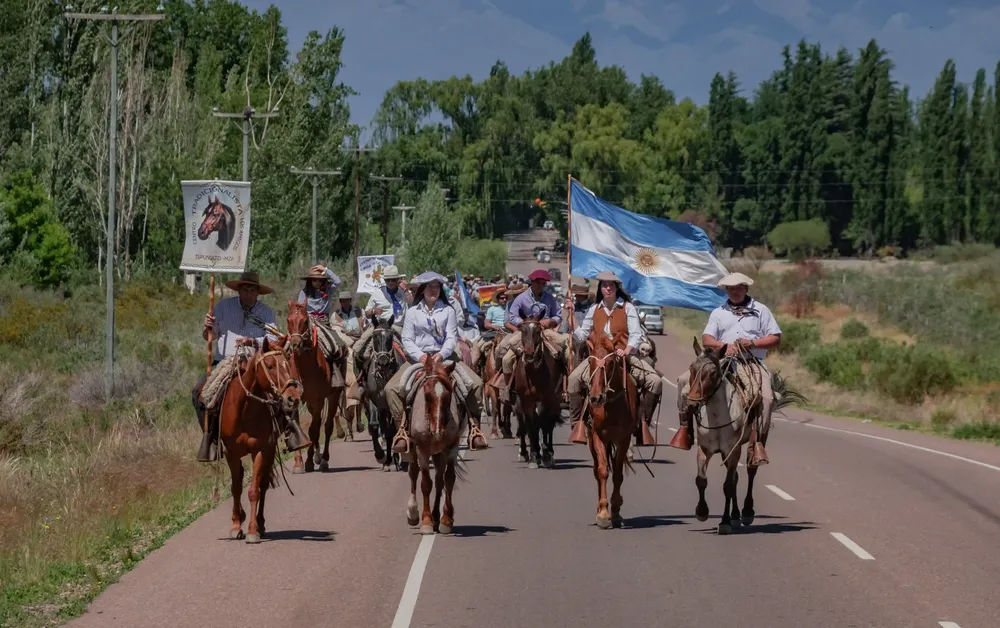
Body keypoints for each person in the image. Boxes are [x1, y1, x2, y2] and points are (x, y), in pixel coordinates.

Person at [192, 271, 310, 462]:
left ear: (257, 292)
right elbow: (210, 336)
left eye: (252, 289)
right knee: (199, 392)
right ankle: (211, 437)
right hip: (226, 361)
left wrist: (253, 341)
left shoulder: (266, 313)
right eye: (244, 289)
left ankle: (291, 431)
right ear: (239, 290)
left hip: (258, 361)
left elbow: (274, 338)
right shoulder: (222, 307)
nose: (248, 293)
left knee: (286, 388)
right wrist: (207, 328)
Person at [667, 272, 782, 466]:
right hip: (721, 360)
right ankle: (685, 428)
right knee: (683, 381)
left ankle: (758, 444)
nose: (734, 292)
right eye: (730, 289)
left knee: (767, 399)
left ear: (745, 288)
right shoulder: (719, 312)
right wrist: (724, 346)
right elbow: (706, 339)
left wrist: (752, 342)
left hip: (751, 361)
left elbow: (775, 338)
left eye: (738, 288)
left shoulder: (761, 310)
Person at [385, 272, 489, 453]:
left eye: (437, 287)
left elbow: (451, 336)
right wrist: (421, 356)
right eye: (429, 287)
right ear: (422, 290)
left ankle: (475, 429)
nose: (433, 290)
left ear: (440, 290)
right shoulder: (412, 312)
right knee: (391, 389)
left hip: (445, 357)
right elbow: (407, 339)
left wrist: (441, 354)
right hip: (418, 359)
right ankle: (401, 430)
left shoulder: (448, 311)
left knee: (477, 384)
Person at [566, 272, 661, 445]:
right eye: (604, 285)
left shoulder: (627, 308)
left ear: (617, 288)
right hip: (598, 357)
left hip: (622, 356)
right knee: (573, 379)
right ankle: (577, 424)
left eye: (611, 285)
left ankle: (642, 423)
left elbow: (636, 334)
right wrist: (572, 315)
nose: (608, 288)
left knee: (655, 381)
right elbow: (581, 335)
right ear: (600, 288)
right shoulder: (594, 309)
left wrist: (627, 350)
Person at [495, 269, 571, 397]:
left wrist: (551, 320)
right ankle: (508, 389)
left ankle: (567, 385)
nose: (541, 286)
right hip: (525, 331)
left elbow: (558, 316)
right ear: (532, 283)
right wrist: (524, 324)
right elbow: (513, 316)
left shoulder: (550, 298)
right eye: (539, 283)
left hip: (545, 331)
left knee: (567, 348)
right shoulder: (521, 298)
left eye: (543, 284)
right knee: (507, 358)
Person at [354, 264, 407, 374]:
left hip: (397, 327)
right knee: (358, 349)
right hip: (378, 326)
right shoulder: (377, 293)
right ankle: (361, 378)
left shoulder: (403, 293)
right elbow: (367, 313)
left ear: (397, 280)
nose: (391, 282)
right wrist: (373, 311)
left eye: (393, 280)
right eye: (388, 280)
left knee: (409, 352)